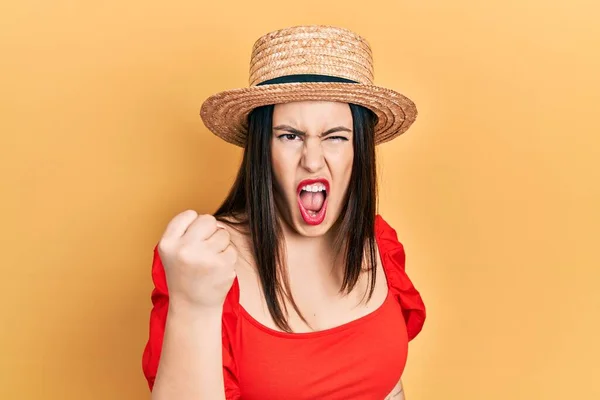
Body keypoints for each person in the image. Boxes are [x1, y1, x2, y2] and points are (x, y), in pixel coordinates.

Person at [141, 24, 426, 400]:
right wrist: (194, 304)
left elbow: (386, 387)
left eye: (336, 136)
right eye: (290, 136)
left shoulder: (377, 242)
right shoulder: (207, 264)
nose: (312, 160)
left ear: (359, 149)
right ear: (262, 149)